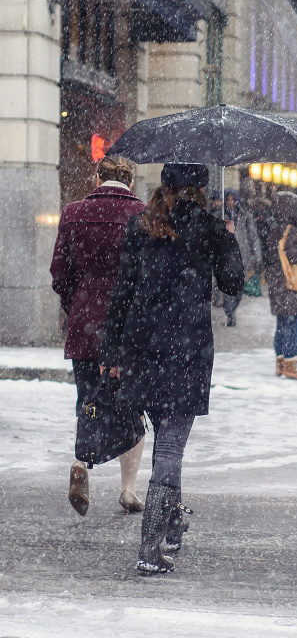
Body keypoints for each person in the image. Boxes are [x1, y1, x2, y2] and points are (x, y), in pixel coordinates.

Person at [98, 163, 244, 574]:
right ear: (201, 188)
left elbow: (122, 291)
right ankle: (149, 547)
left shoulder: (141, 225)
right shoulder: (211, 229)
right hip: (187, 349)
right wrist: (229, 242)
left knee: (166, 438)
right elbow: (234, 284)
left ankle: (173, 524)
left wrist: (111, 350)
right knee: (170, 447)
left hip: (143, 347)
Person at [51, 156, 148, 517]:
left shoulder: (73, 212)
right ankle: (128, 489)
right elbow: (148, 273)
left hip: (85, 321)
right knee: (132, 406)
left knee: (88, 399)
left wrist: (76, 303)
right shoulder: (142, 214)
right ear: (131, 180)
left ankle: (81, 462)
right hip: (129, 327)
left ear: (97, 177)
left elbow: (59, 272)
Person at [264, 191, 297, 380]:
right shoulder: (291, 229)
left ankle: (280, 364)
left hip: (277, 283)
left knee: (282, 325)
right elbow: (293, 255)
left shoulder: (273, 228)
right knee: (293, 324)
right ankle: (291, 366)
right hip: (290, 285)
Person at [221, 188, 262, 327]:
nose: (230, 202)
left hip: (241, 257)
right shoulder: (220, 215)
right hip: (226, 257)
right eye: (228, 200)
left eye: (232, 199)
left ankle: (232, 308)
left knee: (238, 289)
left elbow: (253, 237)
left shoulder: (245, 216)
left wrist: (257, 256)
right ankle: (230, 313)